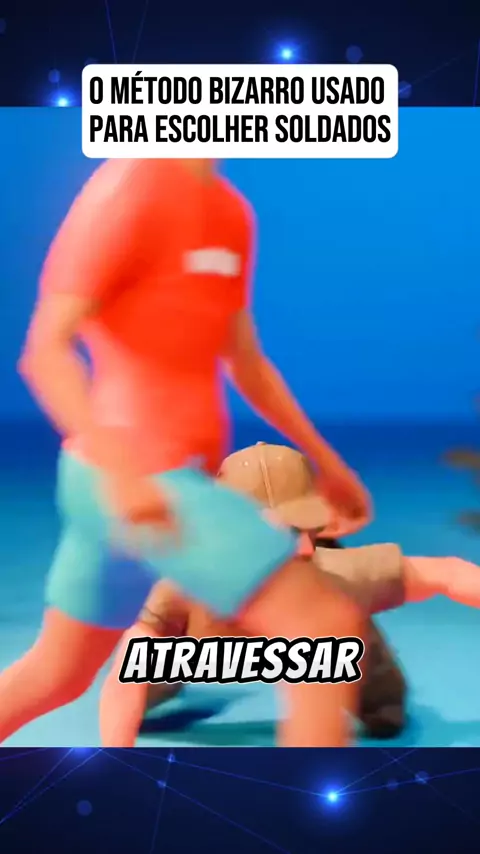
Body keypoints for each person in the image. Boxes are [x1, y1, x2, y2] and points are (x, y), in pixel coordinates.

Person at [1, 158, 369, 748]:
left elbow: (245, 361)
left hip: (145, 482)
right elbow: (46, 350)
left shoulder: (231, 213)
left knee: (57, 675)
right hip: (133, 477)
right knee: (320, 621)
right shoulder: (128, 189)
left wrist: (327, 462)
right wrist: (122, 475)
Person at [101, 442, 480, 746]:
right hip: (201, 648)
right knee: (142, 689)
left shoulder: (335, 576)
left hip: (328, 643)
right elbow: (126, 677)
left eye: (303, 530)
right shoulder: (186, 588)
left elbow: (446, 573)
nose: (303, 549)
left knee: (385, 713)